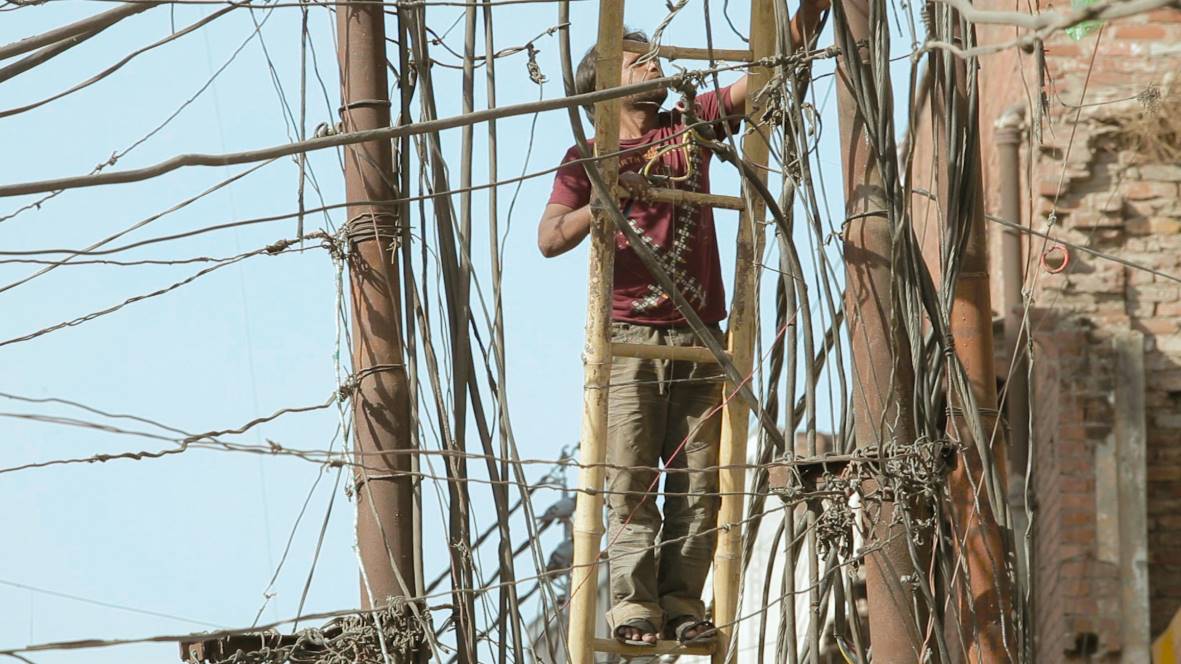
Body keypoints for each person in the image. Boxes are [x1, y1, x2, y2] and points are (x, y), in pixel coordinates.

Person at [537, 4, 827, 647]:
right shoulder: (588, 156)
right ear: (606, 83)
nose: (655, 65)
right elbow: (550, 237)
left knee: (700, 486)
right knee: (631, 484)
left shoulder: (688, 125)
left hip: (699, 335)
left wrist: (814, 11)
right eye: (638, 60)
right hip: (630, 341)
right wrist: (607, 197)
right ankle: (633, 610)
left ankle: (682, 603)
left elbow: (766, 74)